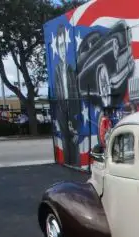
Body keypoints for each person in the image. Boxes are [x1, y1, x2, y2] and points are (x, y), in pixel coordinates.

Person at [53, 23, 81, 166]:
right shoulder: (57, 70)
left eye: (64, 45)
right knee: (65, 141)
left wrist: (75, 118)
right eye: (60, 46)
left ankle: (74, 165)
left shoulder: (71, 69)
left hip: (73, 111)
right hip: (62, 111)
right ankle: (68, 165)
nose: (63, 50)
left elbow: (76, 94)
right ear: (57, 49)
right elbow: (58, 93)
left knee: (75, 142)